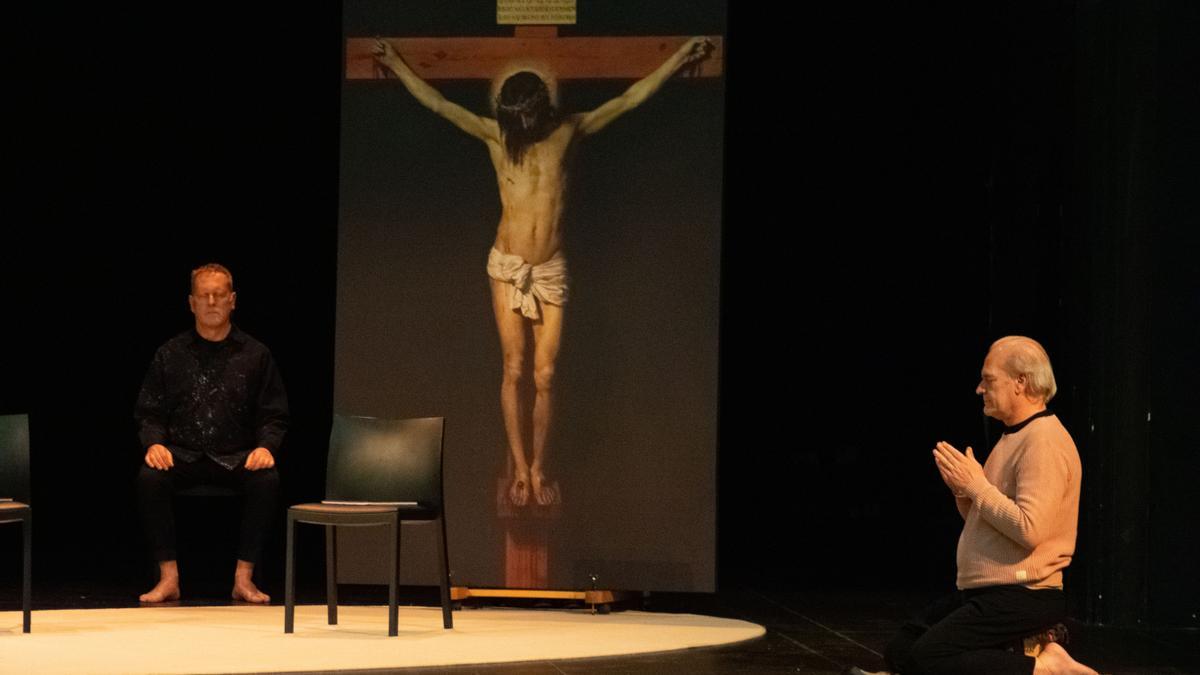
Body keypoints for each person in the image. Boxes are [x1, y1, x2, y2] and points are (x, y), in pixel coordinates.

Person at [371, 35, 714, 506]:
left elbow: (630, 98)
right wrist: (397, 62)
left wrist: (677, 58)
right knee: (513, 367)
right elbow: (438, 103)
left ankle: (538, 465)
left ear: (539, 110)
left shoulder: (568, 131)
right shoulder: (496, 135)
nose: (523, 129)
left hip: (549, 268)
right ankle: (518, 466)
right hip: (507, 265)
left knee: (546, 373)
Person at [846, 337, 1097, 675]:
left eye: (989, 379)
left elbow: (1030, 530)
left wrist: (977, 486)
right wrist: (965, 493)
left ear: (1020, 382)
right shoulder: (1014, 436)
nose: (980, 388)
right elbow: (989, 522)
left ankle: (1045, 667)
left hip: (1024, 593)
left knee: (928, 657)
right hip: (989, 589)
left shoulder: (1044, 442)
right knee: (903, 648)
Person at [134, 263, 288, 603]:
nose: (212, 302)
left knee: (267, 479)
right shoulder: (170, 353)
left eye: (219, 295)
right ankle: (168, 577)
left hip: (236, 456)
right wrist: (154, 443)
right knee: (150, 477)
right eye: (204, 295)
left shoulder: (256, 354)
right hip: (184, 455)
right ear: (191, 303)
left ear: (233, 300)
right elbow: (150, 411)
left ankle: (244, 578)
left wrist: (266, 447)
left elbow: (273, 414)